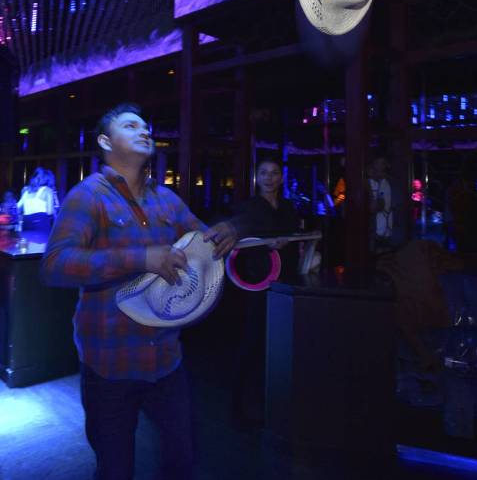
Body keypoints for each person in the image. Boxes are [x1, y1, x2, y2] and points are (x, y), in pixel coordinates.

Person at [41, 103, 239, 480]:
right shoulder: (89, 196)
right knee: (115, 470)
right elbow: (54, 266)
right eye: (131, 126)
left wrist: (231, 231)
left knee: (182, 462)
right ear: (105, 141)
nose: (144, 130)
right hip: (110, 362)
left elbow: (205, 243)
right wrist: (140, 258)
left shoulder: (166, 199)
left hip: (167, 358)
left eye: (146, 126)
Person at [230, 157, 300, 426]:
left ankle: (272, 402)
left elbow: (293, 239)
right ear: (257, 177)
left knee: (279, 343)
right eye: (264, 173)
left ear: (281, 178)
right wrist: (268, 244)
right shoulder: (248, 207)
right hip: (258, 281)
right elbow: (237, 244)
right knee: (252, 341)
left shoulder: (288, 207)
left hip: (285, 282)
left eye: (274, 173)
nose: (270, 178)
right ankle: (240, 404)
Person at [367, 156, 393, 253]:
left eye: (382, 164)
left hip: (383, 232)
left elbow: (376, 207)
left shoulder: (385, 183)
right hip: (377, 232)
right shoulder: (374, 183)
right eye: (378, 164)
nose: (380, 167)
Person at [17, 167, 55, 232]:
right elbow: (50, 212)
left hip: (26, 224)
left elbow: (18, 208)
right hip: (41, 225)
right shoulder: (48, 191)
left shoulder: (25, 190)